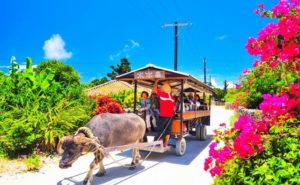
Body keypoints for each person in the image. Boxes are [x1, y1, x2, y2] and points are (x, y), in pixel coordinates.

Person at [153, 80, 176, 147]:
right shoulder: (172, 98)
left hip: (163, 116)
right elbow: (174, 108)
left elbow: (154, 90)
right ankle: (165, 144)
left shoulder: (162, 94)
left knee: (160, 129)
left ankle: (160, 143)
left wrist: (156, 82)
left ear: (163, 89)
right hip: (170, 116)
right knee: (168, 130)